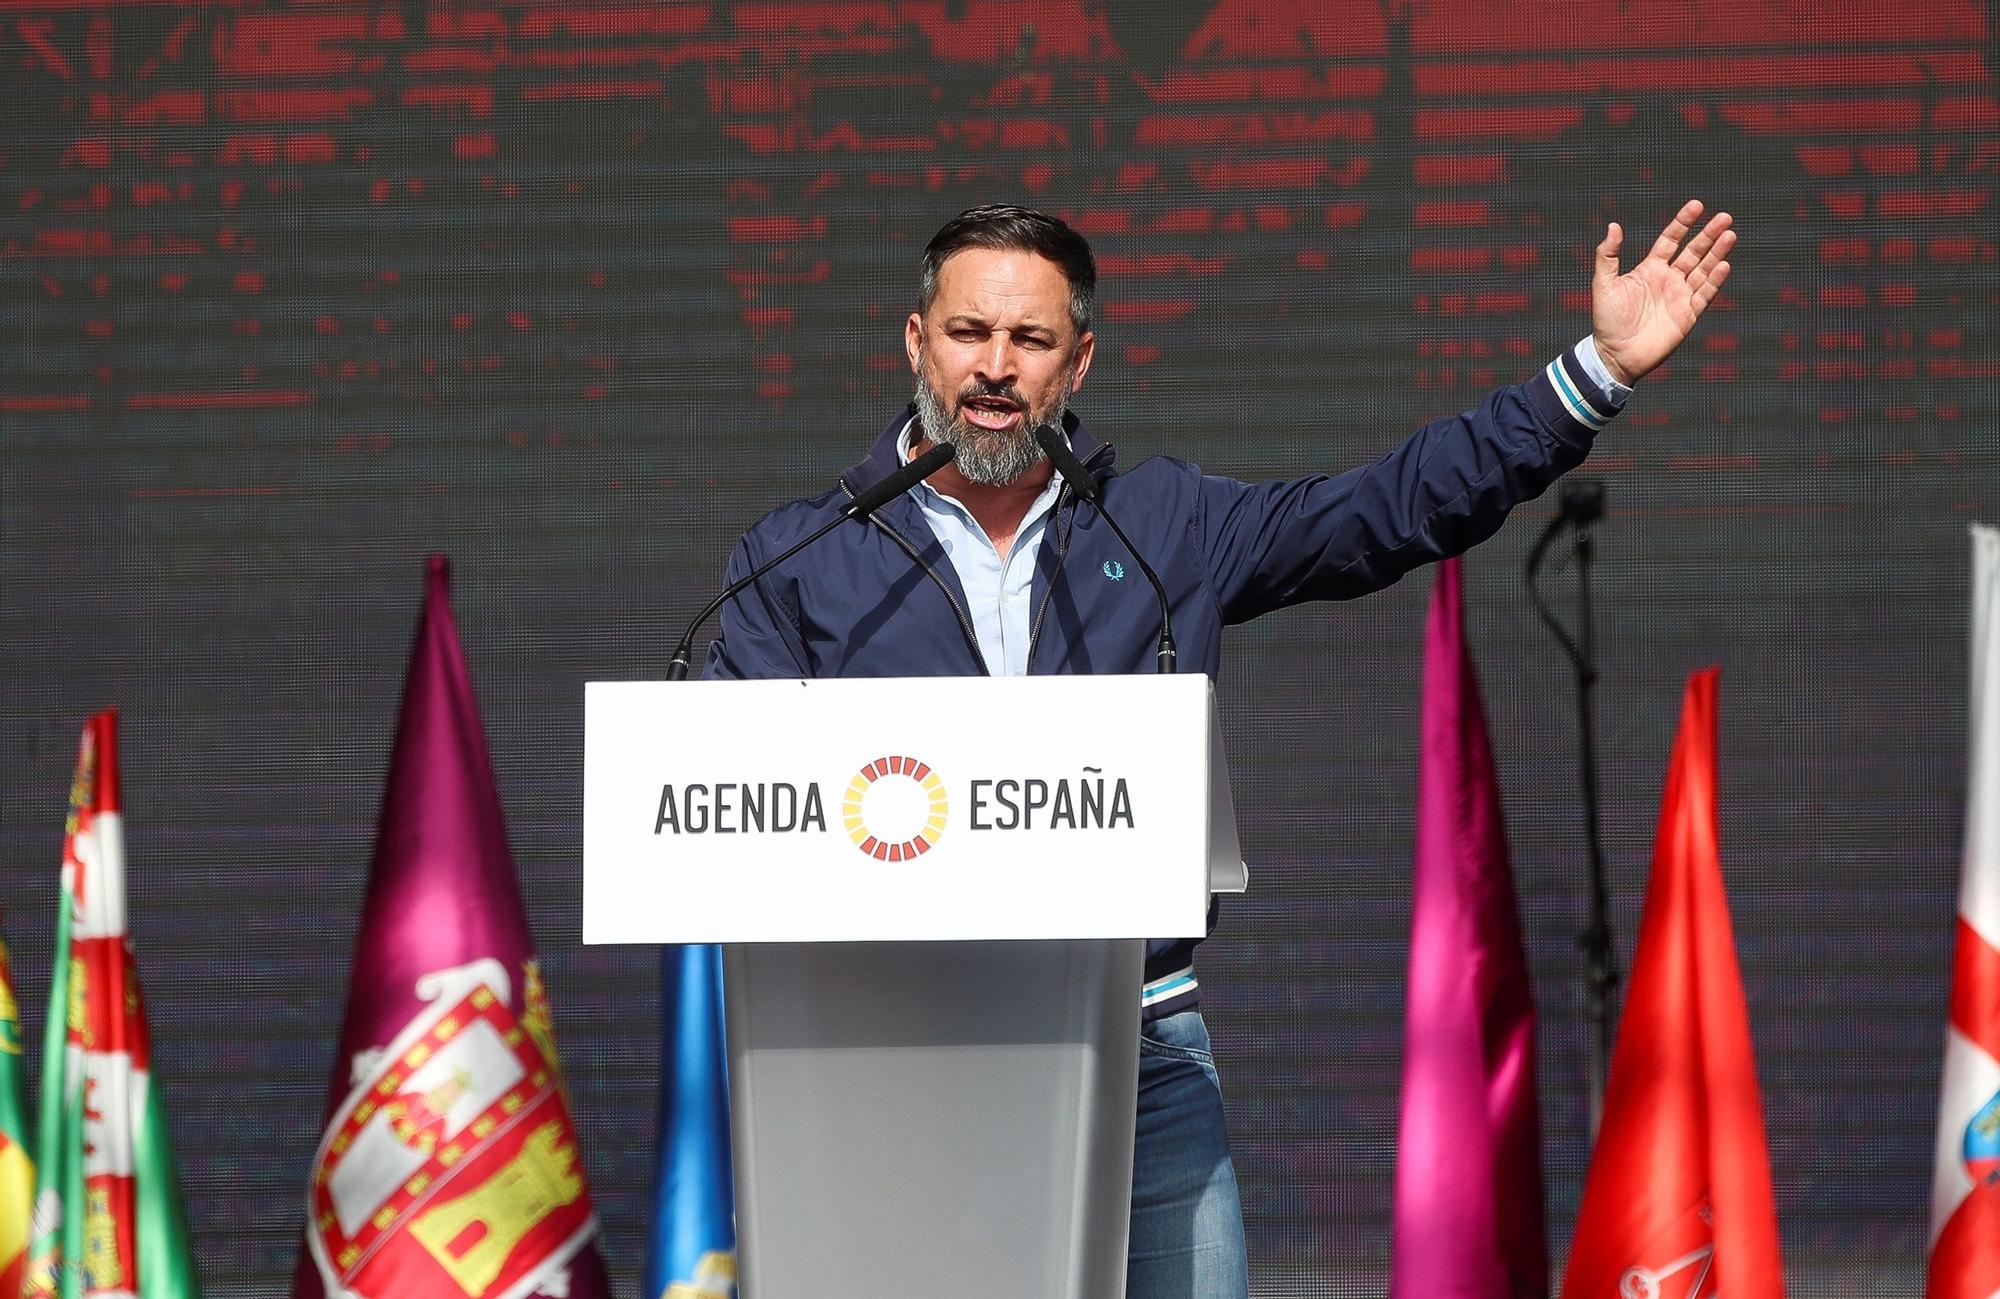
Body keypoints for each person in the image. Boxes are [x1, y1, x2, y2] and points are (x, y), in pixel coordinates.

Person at [704, 201, 1735, 1298]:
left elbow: (1385, 509)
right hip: (894, 1060)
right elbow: (737, 813)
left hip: (1137, 1056)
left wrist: (1592, 374)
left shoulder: (1162, 526)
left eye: (1031, 340)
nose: (994, 367)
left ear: (1078, 362)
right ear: (915, 343)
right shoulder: (801, 556)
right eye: (967, 334)